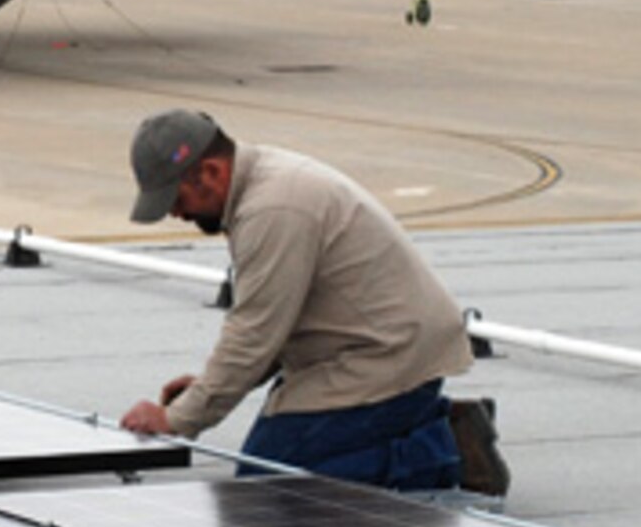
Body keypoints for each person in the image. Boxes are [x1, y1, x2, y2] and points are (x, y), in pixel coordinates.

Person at [119, 108, 509, 494]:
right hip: (362, 352)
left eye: (175, 197)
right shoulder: (262, 186)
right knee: (267, 482)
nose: (175, 212)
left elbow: (254, 334)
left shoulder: (272, 209)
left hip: (386, 359)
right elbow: (274, 323)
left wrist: (175, 421)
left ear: (212, 173)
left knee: (272, 489)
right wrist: (206, 389)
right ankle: (429, 421)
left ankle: (443, 449)